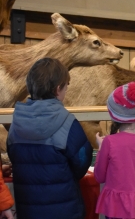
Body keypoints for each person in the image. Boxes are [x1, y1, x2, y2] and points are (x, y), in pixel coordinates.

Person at [7, 57, 93, 219]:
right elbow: (82, 161)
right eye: (67, 86)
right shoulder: (68, 122)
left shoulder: (16, 122)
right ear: (58, 89)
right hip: (64, 209)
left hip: (28, 209)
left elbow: (14, 155)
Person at [94, 81, 135, 219]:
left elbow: (99, 177)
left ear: (114, 115)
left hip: (116, 208)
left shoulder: (109, 143)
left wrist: (101, 149)